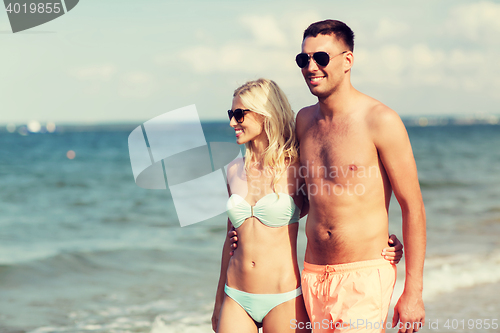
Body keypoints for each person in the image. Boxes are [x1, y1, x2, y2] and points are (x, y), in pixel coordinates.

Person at [212, 78, 403, 333]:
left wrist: (380, 242)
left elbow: (334, 209)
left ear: (264, 115)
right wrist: (218, 302)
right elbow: (230, 238)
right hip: (235, 295)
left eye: (239, 114)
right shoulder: (233, 170)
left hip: (284, 297)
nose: (232, 122)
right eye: (230, 114)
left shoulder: (297, 167)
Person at [295, 20, 426, 333]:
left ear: (347, 60)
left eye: (321, 58)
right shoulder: (302, 121)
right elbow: (301, 201)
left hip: (364, 276)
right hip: (313, 275)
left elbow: (414, 208)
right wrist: (249, 226)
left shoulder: (380, 120)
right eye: (304, 59)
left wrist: (414, 291)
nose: (311, 66)